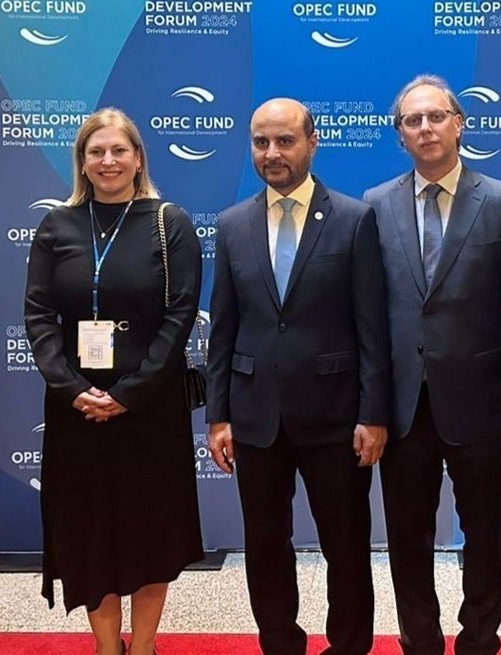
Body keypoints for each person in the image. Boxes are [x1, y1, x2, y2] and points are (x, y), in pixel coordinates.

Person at [205, 97, 390, 655]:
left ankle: (349, 645)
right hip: (255, 415)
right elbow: (223, 328)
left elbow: (372, 328)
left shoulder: (354, 219)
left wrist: (373, 414)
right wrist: (218, 415)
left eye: (284, 141)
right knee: (265, 546)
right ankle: (280, 642)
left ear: (312, 142)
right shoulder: (232, 224)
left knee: (346, 545)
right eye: (261, 142)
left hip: (336, 417)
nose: (272, 153)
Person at [363, 74, 501, 655]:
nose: (425, 128)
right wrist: (371, 405)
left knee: (484, 534)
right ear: (400, 135)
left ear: (459, 124)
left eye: (436, 116)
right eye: (412, 121)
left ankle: (480, 639)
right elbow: (370, 315)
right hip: (404, 406)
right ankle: (420, 640)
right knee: (406, 538)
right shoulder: (376, 205)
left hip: (479, 401)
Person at [24, 107, 203, 655]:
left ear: (138, 158)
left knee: (151, 535)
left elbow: (180, 315)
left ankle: (143, 646)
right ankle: (108, 647)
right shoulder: (57, 226)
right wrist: (72, 389)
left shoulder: (168, 222)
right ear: (81, 161)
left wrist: (129, 393)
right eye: (96, 151)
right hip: (76, 411)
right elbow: (38, 315)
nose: (108, 161)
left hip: (150, 409)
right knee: (88, 534)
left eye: (118, 150)